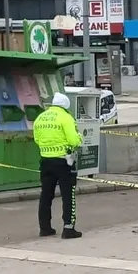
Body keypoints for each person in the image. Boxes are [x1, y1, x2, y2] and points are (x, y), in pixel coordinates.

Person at [33, 92, 83, 239]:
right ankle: (68, 228)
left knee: (46, 195)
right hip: (63, 161)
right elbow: (74, 141)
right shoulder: (66, 117)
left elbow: (36, 138)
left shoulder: (40, 117)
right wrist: (80, 138)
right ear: (66, 106)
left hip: (45, 161)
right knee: (68, 195)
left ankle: (45, 228)